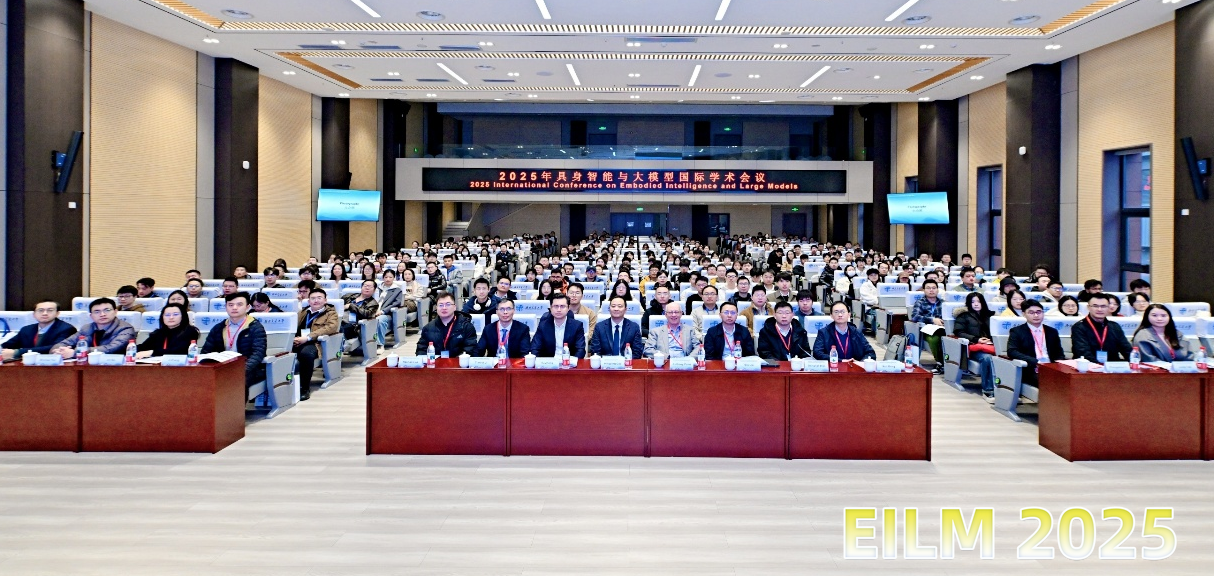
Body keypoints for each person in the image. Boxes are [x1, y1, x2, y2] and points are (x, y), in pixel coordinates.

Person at [1007, 299, 1066, 388]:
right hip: (1031, 368)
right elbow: (1012, 351)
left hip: (1051, 367)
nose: (1036, 315)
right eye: (1031, 312)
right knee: (1049, 382)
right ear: (1024, 314)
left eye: (1039, 312)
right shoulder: (1017, 331)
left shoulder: (1052, 331)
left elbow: (1059, 352)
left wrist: (1058, 364)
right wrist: (1034, 361)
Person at [293, 288, 340, 400]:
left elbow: (330, 328)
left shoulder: (331, 313)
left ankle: (304, 388)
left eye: (319, 298)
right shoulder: (303, 312)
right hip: (298, 341)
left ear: (325, 300)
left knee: (306, 354)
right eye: (313, 298)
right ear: (308, 301)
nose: (316, 301)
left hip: (316, 343)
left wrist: (308, 337)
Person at [51, 298, 137, 357]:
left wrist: (76, 352)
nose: (102, 314)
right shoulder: (87, 328)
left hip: (115, 367)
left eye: (107, 310)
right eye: (97, 311)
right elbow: (65, 343)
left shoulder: (125, 328)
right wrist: (58, 350)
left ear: (115, 312)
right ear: (91, 316)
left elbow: (111, 349)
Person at [953, 292, 997, 398]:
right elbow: (959, 332)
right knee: (987, 358)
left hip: (992, 345)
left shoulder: (991, 316)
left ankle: (1007, 390)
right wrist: (977, 339)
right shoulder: (963, 316)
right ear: (969, 303)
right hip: (974, 347)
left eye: (978, 301)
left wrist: (991, 340)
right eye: (973, 302)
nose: (976, 304)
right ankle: (988, 390)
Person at [1, 300, 77, 360]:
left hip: (53, 366)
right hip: (26, 366)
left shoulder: (67, 329)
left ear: (57, 313)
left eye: (50, 310)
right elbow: (8, 345)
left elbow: (54, 348)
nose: (45, 313)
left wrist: (17, 352)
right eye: (40, 310)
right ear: (34, 314)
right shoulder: (26, 329)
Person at [1071, 293, 1132, 363]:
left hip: (1113, 366)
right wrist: (1100, 367)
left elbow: (1127, 349)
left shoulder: (1115, 326)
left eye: (1103, 306)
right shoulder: (1079, 327)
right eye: (1095, 306)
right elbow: (1083, 353)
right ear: (1088, 307)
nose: (1099, 309)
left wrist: (1134, 361)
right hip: (1088, 366)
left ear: (1108, 308)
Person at [416, 292, 478, 357]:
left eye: (448, 304)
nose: (444, 308)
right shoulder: (428, 328)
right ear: (436, 308)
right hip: (435, 362)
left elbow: (470, 349)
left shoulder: (466, 326)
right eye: (440, 305)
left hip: (459, 362)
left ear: (454, 307)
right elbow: (421, 350)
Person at [811, 301, 876, 362]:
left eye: (843, 312)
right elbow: (817, 353)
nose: (840, 315)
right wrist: (840, 361)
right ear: (831, 315)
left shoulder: (856, 332)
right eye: (836, 312)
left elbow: (870, 353)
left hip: (854, 367)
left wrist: (860, 363)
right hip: (833, 367)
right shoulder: (824, 332)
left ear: (849, 314)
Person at [530, 294, 586, 358]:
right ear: (551, 308)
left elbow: (580, 350)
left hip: (569, 362)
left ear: (568, 308)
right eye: (556, 306)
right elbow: (535, 349)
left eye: (562, 306)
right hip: (549, 362)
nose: (559, 310)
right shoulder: (543, 326)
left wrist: (572, 362)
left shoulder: (577, 326)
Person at [136, 303, 200, 358]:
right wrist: (131, 348)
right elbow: (143, 347)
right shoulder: (159, 333)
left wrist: (152, 352)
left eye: (175, 314)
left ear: (183, 316)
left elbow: (180, 351)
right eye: (167, 315)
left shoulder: (190, 331)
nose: (171, 317)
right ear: (162, 317)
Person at [911, 279, 947, 373]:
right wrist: (932, 320)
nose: (931, 290)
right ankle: (940, 363)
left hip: (943, 328)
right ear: (924, 290)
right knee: (934, 339)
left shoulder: (943, 303)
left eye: (934, 288)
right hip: (927, 329)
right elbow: (915, 317)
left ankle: (951, 363)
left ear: (938, 290)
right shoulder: (920, 302)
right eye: (928, 288)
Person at [341, 280, 380, 354]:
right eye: (365, 286)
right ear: (361, 287)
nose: (367, 288)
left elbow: (367, 314)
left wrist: (351, 306)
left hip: (354, 326)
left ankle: (338, 346)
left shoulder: (373, 303)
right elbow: (337, 305)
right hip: (341, 320)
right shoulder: (349, 296)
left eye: (370, 286)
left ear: (374, 290)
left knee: (342, 327)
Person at [373, 269, 404, 346]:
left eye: (390, 277)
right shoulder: (377, 288)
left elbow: (396, 303)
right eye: (386, 277)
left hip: (387, 314)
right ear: (383, 278)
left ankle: (380, 344)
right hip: (373, 311)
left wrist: (382, 311)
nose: (388, 279)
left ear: (394, 278)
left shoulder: (397, 290)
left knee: (380, 320)